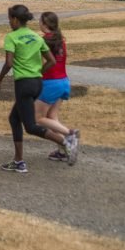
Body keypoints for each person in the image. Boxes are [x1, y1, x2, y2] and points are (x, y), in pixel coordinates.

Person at [0, 5, 69, 173]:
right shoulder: (37, 37)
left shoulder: (12, 37)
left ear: (14, 19)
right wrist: (37, 73)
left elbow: (9, 63)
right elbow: (51, 61)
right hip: (38, 83)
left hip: (24, 84)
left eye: (9, 19)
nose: (9, 22)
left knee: (30, 126)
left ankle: (65, 142)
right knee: (14, 119)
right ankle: (18, 160)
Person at [36, 12, 80, 165]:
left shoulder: (43, 41)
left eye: (40, 21)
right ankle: (62, 150)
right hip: (63, 81)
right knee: (52, 117)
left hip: (50, 82)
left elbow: (40, 62)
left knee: (38, 118)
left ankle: (70, 135)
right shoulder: (61, 40)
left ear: (44, 23)